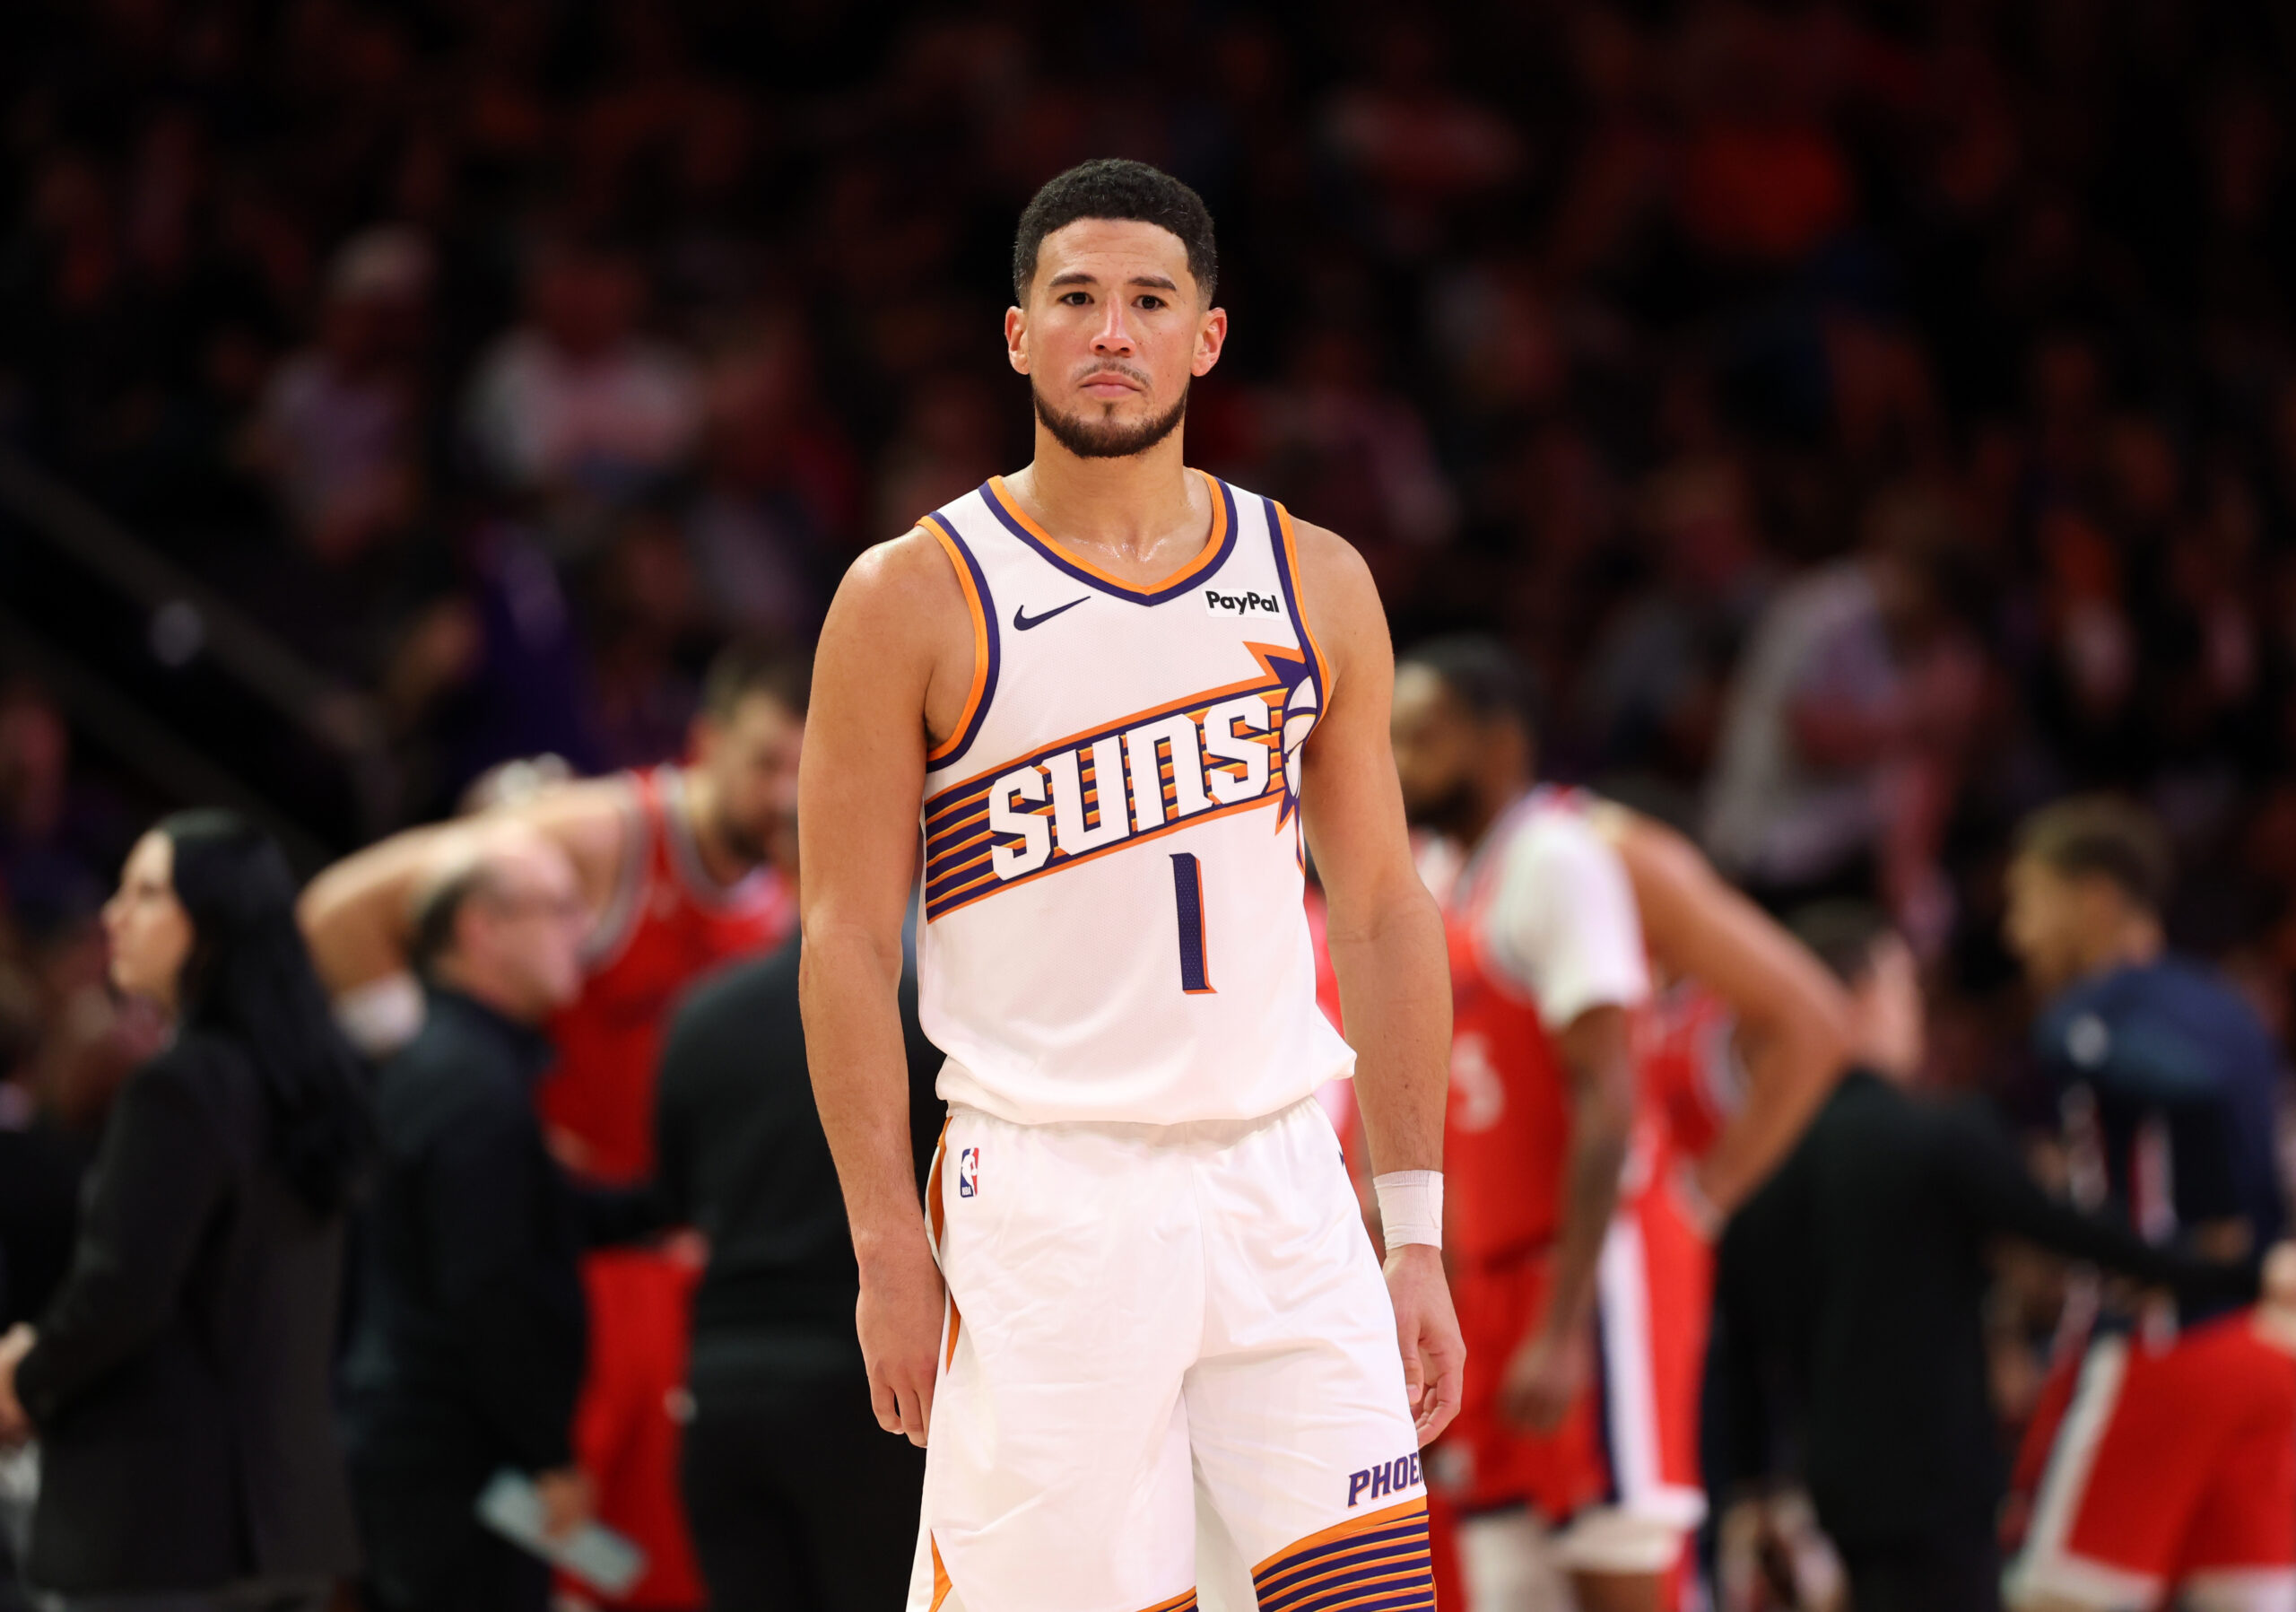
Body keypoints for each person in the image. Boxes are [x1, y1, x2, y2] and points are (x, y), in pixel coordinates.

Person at [801, 158, 1462, 1612]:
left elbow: (1384, 911)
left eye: (1149, 300)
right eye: (1078, 298)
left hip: (1285, 1175)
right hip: (1050, 1191)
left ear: (1207, 335)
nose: (1114, 331)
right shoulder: (909, 592)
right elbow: (845, 942)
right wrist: (885, 1249)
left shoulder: (1316, 576)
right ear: (1019, 333)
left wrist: (1412, 1230)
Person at [300, 639, 804, 1610]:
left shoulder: (806, 887)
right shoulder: (592, 838)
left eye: (805, 768)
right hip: (544, 1286)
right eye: (765, 763)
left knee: (655, 1578)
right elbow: (337, 917)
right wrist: (450, 1093)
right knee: (538, 1555)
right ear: (703, 744)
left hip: (684, 1285)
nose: (787, 795)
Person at [1386, 634, 1849, 1612]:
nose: (1395, 760)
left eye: (1421, 737)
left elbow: (1808, 1022)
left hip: (1589, 1276)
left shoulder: (1574, 853)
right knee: (1509, 1581)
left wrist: (1702, 1200)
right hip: (1488, 1276)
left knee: (1619, 1571)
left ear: (1500, 743)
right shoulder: (1430, 867)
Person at [1710, 902, 2291, 1612]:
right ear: (1857, 998)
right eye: (1903, 989)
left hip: (1826, 1478)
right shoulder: (1935, 1132)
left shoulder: (1750, 1158)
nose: (1915, 1011)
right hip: (1937, 1477)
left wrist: (1751, 1490)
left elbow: (1733, 1348)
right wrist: (2240, 1268)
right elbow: (2074, 1232)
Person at [0, 812, 368, 1610]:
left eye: (147, 893)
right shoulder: (301, 1083)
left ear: (213, 922)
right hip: (283, 1526)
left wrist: (26, 1377)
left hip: (159, 1527)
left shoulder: (181, 1086)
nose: (112, 916)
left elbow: (122, 1293)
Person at [343, 826, 662, 1612]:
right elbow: (489, 1287)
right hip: (456, 1464)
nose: (579, 933)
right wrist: (547, 1454)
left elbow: (532, 1223)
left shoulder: (452, 1066)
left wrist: (670, 1205)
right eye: (556, 908)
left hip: (431, 1453)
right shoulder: (471, 1088)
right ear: (480, 929)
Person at [1997, 797, 2296, 1612]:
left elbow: (2187, 1091)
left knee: (2058, 1598)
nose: (2015, 934)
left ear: (2095, 898)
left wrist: (2198, 1251)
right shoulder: (2232, 1005)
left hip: (2156, 1342)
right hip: (2264, 1349)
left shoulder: (2088, 1012)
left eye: (2029, 902)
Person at [655, 903, 944, 1609]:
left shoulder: (701, 1014)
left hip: (722, 1386)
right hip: (871, 1386)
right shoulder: (933, 1009)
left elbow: (676, 1201)